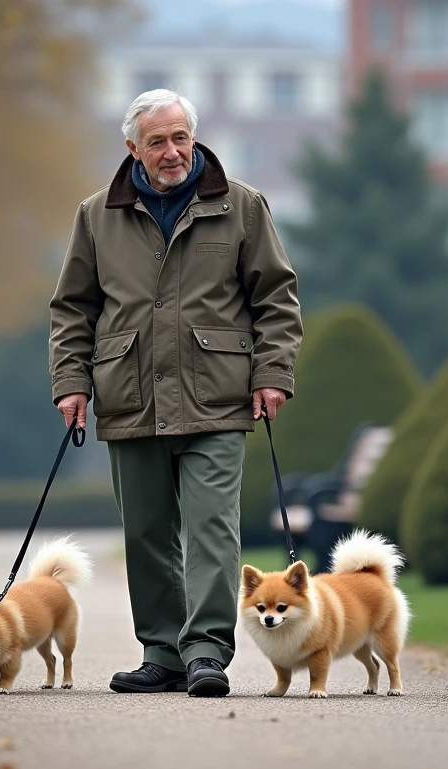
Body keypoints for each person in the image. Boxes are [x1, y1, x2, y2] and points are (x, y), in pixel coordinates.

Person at [47, 89, 303, 697]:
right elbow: (72, 309)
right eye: (157, 141)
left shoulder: (241, 207)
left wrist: (273, 373)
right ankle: (161, 652)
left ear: (194, 137)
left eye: (180, 137)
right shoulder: (95, 215)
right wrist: (70, 384)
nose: (172, 152)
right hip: (129, 394)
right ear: (132, 147)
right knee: (146, 531)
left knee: (212, 527)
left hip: (217, 396)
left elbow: (276, 298)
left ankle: (207, 652)